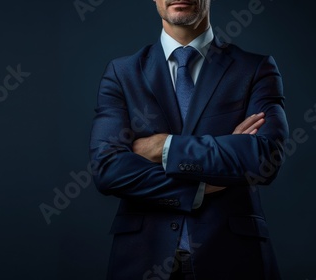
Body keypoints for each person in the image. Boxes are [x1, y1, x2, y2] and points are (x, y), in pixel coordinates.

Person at [89, 0, 288, 279]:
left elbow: (264, 157)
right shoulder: (122, 74)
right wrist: (203, 184)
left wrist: (164, 146)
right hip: (142, 259)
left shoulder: (255, 69)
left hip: (233, 259)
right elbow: (107, 169)